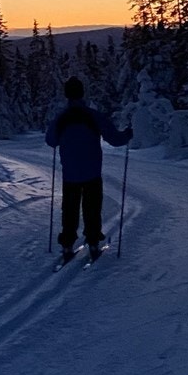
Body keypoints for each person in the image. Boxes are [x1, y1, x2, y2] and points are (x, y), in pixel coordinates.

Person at [45, 76, 132, 260]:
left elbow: (50, 141)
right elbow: (114, 139)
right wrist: (127, 135)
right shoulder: (93, 116)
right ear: (82, 93)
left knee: (70, 209)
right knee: (92, 208)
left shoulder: (61, 118)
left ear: (67, 95)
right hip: (92, 171)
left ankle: (67, 245)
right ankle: (93, 242)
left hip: (70, 174)